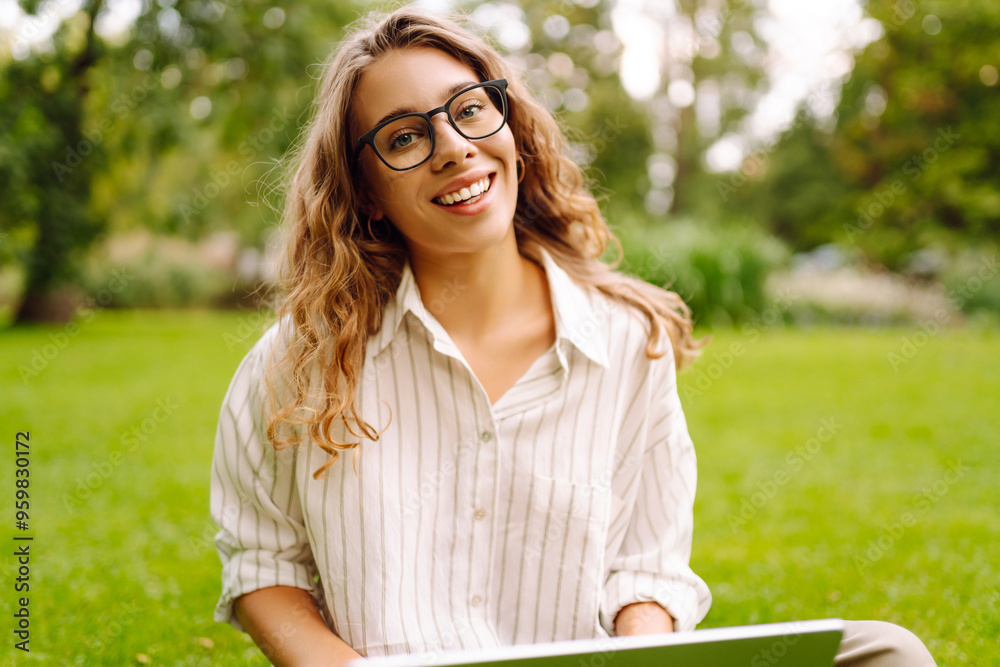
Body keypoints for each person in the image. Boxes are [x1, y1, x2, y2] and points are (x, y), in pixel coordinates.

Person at [210, 6, 937, 667]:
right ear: (365, 188)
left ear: (512, 128)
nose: (454, 148)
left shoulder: (627, 342)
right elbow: (265, 568)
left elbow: (647, 570)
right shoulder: (294, 365)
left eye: (470, 111)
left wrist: (642, 658)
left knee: (887, 653)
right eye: (405, 136)